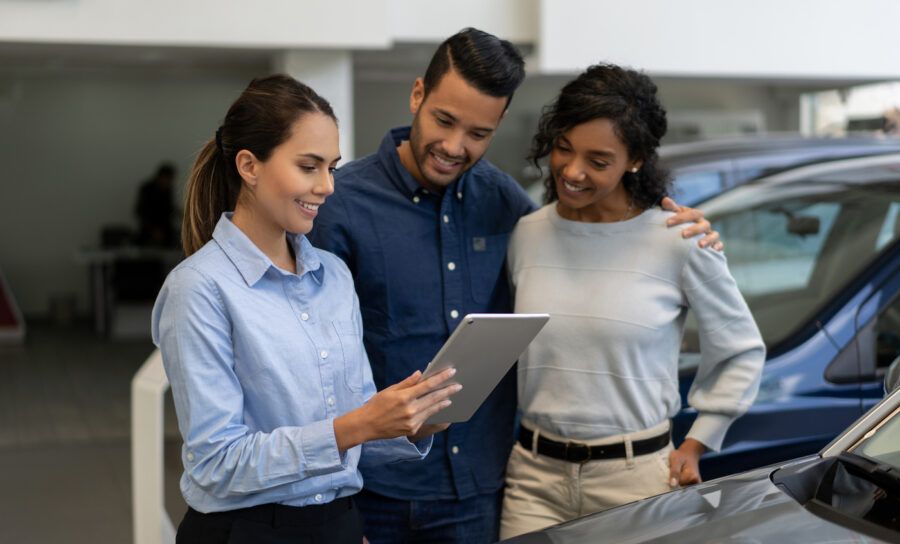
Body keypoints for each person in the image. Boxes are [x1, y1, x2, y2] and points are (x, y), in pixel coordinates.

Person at [309, 29, 721, 543]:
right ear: (417, 95)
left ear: (499, 125)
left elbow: (585, 255)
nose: (455, 147)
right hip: (374, 493)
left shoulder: (509, 208)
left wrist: (663, 222)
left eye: (478, 133)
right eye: (443, 120)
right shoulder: (338, 207)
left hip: (482, 493)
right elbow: (311, 366)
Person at [151, 74, 460, 544]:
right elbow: (217, 463)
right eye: (309, 166)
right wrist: (356, 425)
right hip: (245, 532)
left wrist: (408, 424)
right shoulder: (198, 288)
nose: (328, 187)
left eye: (332, 167)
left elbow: (352, 427)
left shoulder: (334, 274)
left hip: (338, 523)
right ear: (249, 166)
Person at [499, 63, 766, 539]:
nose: (573, 171)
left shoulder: (677, 240)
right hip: (533, 479)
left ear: (636, 159)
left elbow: (741, 349)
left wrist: (700, 441)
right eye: (563, 148)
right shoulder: (528, 233)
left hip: (636, 479)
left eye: (598, 161)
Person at [135, 162, 177, 246]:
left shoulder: (168, 190)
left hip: (165, 230)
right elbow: (141, 211)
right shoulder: (147, 190)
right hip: (147, 230)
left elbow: (167, 211)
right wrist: (153, 230)